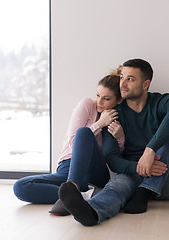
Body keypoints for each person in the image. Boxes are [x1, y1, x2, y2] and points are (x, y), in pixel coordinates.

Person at [58, 58, 169, 226]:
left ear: (145, 84)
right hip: (133, 175)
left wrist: (150, 150)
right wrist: (139, 167)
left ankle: (146, 190)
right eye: (122, 77)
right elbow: (111, 158)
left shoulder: (161, 102)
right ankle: (92, 212)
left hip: (168, 178)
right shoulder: (114, 114)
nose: (123, 83)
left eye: (130, 79)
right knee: (116, 186)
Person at [13, 69, 124, 213]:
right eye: (98, 95)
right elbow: (73, 141)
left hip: (95, 173)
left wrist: (120, 137)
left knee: (84, 131)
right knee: (21, 187)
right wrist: (99, 124)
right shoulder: (87, 105)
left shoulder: (117, 116)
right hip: (68, 167)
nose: (99, 101)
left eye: (106, 99)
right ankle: (82, 196)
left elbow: (115, 157)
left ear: (119, 100)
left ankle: (72, 193)